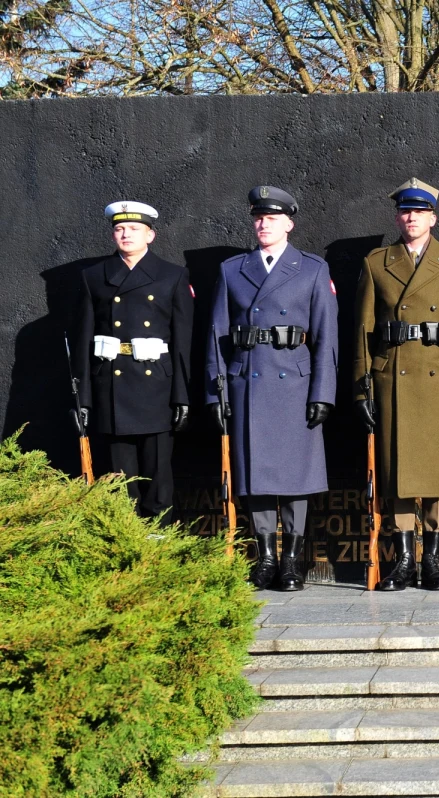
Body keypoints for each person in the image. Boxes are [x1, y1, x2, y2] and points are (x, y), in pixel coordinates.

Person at [205, 186, 338, 591]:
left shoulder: (313, 269)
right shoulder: (233, 269)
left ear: (289, 224)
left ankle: (293, 561)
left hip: (294, 386)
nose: (264, 224)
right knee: (255, 476)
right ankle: (265, 559)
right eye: (259, 218)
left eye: (273, 218)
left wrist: (322, 393)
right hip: (249, 382)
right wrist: (216, 391)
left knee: (295, 478)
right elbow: (217, 334)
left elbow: (326, 338)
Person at [354, 178, 439, 591]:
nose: (411, 218)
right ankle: (404, 561)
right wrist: (362, 386)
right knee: (398, 473)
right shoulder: (377, 262)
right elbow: (363, 331)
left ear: (433, 218)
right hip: (393, 377)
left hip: (435, 380)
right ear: (398, 217)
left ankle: (432, 562)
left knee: (437, 477)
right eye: (406, 212)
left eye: (419, 212)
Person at [72, 201, 193, 521]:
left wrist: (182, 396)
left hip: (156, 388)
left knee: (158, 480)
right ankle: (126, 544)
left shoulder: (173, 276)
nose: (126, 234)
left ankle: (159, 547)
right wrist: (83, 397)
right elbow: (84, 339)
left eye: (134, 229)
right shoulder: (94, 277)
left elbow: (182, 343)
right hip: (112, 386)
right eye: (119, 229)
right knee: (119, 480)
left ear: (150, 235)